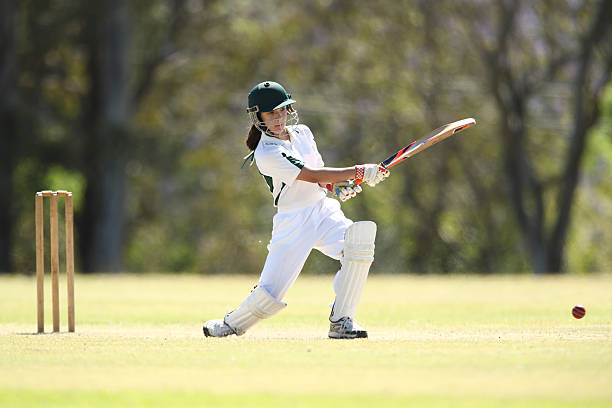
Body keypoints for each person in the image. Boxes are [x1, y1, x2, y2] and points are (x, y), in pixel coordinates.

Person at [203, 81, 390, 339]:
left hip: (322, 210)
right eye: (271, 113)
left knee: (359, 246)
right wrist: (359, 171)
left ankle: (341, 321)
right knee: (270, 295)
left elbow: (318, 175)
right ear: (258, 117)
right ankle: (231, 324)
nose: (279, 118)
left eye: (282, 110)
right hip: (294, 222)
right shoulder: (266, 152)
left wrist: (336, 188)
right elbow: (310, 174)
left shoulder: (303, 132)